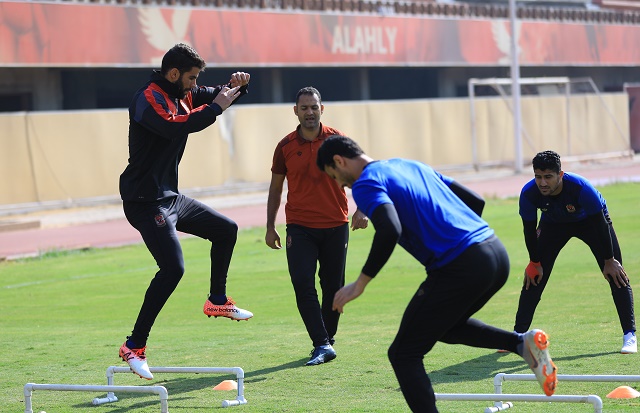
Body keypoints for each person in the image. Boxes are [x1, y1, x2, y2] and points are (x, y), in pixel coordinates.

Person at [315, 135, 557, 413]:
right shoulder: (409, 165)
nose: (340, 184)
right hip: (494, 253)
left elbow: (390, 229)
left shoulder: (366, 183)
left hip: (461, 264)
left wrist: (360, 283)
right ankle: (521, 344)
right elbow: (475, 201)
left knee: (403, 353)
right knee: (446, 327)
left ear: (339, 161)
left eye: (334, 176)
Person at [118, 43, 253, 380]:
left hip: (170, 198)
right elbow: (176, 126)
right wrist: (217, 107)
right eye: (192, 78)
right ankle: (134, 346)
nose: (195, 85)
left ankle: (217, 299)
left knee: (226, 230)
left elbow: (218, 94)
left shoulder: (184, 91)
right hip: (144, 201)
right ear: (174, 74)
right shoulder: (148, 98)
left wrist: (238, 85)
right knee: (173, 269)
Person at [265, 87, 368, 366]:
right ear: (295, 111)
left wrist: (362, 209)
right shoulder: (285, 146)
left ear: (322, 109)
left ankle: (327, 339)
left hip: (336, 225)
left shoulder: (338, 141)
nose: (309, 112)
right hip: (299, 227)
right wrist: (270, 226)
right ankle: (321, 342)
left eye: (314, 107)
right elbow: (276, 189)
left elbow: (364, 175)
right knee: (302, 283)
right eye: (304, 108)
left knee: (333, 286)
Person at [513, 150, 636, 354]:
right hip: (553, 224)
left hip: (590, 222)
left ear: (560, 175)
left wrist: (609, 260)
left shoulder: (581, 188)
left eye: (548, 177)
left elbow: (600, 224)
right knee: (534, 276)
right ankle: (517, 336)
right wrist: (534, 262)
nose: (542, 183)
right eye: (538, 177)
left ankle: (629, 335)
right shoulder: (528, 193)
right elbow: (529, 229)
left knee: (616, 274)